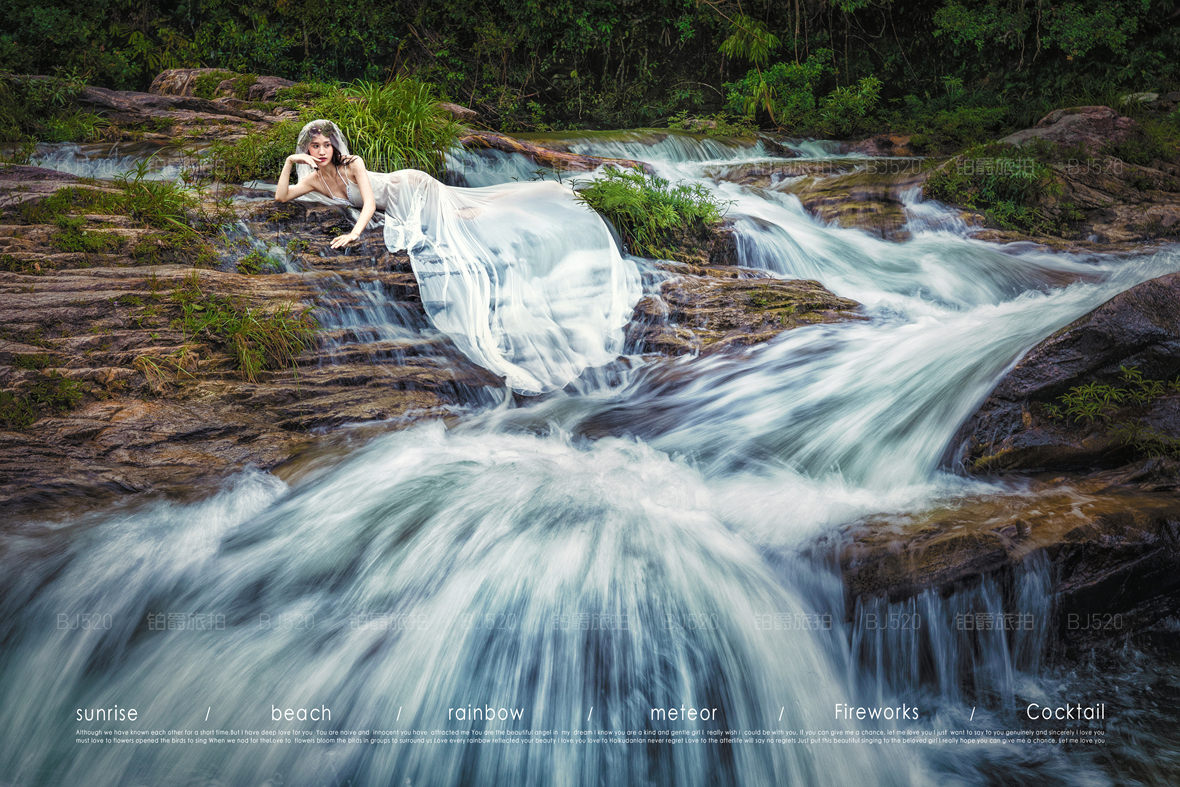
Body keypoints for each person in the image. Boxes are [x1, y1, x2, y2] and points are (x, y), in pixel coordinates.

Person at [273, 119, 641, 395]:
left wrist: (355, 232)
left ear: (336, 146)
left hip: (411, 188)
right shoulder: (313, 179)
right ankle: (476, 210)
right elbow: (280, 198)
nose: (321, 151)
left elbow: (369, 202)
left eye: (326, 145)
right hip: (398, 201)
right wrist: (291, 162)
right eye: (314, 146)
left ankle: (515, 202)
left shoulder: (353, 164)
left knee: (463, 226)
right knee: (463, 218)